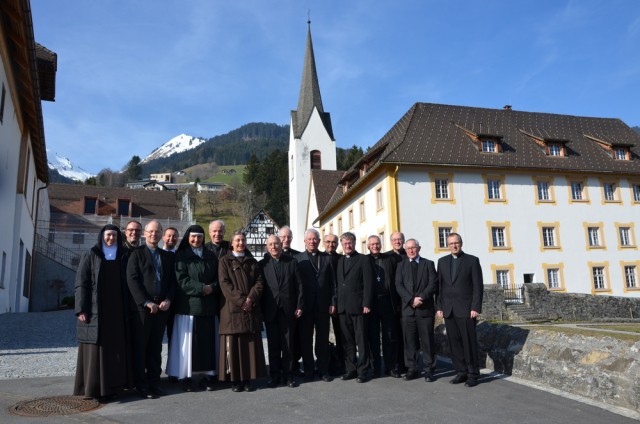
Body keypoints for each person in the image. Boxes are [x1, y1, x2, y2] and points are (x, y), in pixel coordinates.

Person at [73, 224, 133, 400]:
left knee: (117, 348)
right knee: (96, 348)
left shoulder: (124, 255)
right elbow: (81, 283)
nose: (111, 238)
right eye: (108, 235)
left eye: (114, 235)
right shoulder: (91, 254)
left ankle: (115, 387)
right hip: (96, 309)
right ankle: (94, 388)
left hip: (118, 309)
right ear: (101, 236)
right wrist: (81, 309)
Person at [126, 220, 177, 399]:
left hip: (162, 308)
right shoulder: (136, 254)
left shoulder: (168, 256)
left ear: (161, 234)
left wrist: (168, 299)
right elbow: (132, 280)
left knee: (155, 348)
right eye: (150, 231)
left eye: (157, 232)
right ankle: (142, 385)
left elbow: (172, 281)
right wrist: (146, 302)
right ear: (145, 233)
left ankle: (155, 382)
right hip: (143, 309)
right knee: (141, 347)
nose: (153, 234)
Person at [166, 225, 219, 392]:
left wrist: (213, 287)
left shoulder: (210, 255)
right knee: (187, 346)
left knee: (207, 345)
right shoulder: (181, 256)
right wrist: (202, 288)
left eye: (199, 237)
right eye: (193, 237)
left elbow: (220, 277)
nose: (196, 240)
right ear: (188, 238)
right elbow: (181, 280)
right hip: (188, 308)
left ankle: (207, 375)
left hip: (208, 308)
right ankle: (186, 377)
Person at [218, 231, 266, 392]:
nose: (240, 243)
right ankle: (235, 380)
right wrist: (241, 301)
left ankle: (247, 379)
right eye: (237, 240)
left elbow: (259, 282)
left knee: (248, 347)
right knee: (233, 347)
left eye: (243, 240)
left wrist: (250, 299)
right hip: (232, 310)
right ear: (231, 243)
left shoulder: (252, 261)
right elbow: (225, 284)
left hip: (250, 309)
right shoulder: (224, 261)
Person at [436, 233, 484, 388]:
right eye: (451, 243)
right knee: (454, 343)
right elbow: (439, 287)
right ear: (447, 245)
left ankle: (472, 374)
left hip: (466, 309)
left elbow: (478, 286)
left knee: (468, 343)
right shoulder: (442, 262)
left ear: (461, 243)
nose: (454, 246)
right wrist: (439, 307)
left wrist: (475, 307)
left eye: (456, 243)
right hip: (448, 309)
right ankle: (461, 372)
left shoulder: (472, 261)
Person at [259, 235, 303, 388]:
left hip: (288, 309)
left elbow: (299, 286)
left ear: (281, 244)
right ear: (267, 246)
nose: (274, 247)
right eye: (270, 244)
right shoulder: (262, 264)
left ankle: (289, 375)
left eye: (276, 243)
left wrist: (299, 305)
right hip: (270, 310)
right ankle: (274, 375)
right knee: (273, 345)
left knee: (288, 345)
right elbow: (260, 289)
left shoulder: (291, 262)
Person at [295, 229, 336, 382]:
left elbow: (333, 283)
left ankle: (323, 369)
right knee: (305, 340)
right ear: (305, 241)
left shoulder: (326, 258)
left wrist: (333, 301)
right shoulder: (298, 259)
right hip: (305, 306)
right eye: (309, 239)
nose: (312, 241)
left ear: (319, 241)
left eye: (315, 239)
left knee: (322, 340)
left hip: (323, 306)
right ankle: (308, 370)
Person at [395, 239, 438, 382]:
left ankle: (429, 369)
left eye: (414, 248)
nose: (411, 250)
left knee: (427, 341)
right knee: (410, 342)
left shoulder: (428, 264)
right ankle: (412, 369)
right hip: (408, 310)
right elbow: (398, 285)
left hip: (425, 309)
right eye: (408, 248)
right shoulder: (400, 266)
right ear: (405, 250)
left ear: (419, 248)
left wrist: (421, 298)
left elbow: (433, 283)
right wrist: (411, 300)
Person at [336, 232, 373, 383]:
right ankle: (350, 368)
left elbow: (368, 283)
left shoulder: (363, 260)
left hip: (358, 307)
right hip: (343, 307)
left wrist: (366, 303)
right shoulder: (339, 261)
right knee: (347, 341)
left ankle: (363, 370)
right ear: (342, 245)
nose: (347, 246)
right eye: (345, 243)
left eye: (350, 243)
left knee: (361, 340)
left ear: (355, 243)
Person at [366, 235, 401, 378]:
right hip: (372, 303)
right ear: (368, 246)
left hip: (387, 301)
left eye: (377, 243)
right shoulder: (365, 260)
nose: (375, 246)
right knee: (373, 337)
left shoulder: (389, 259)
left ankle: (390, 367)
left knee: (389, 336)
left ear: (381, 244)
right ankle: (375, 368)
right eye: (372, 244)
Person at [323, 233, 344, 375]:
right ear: (323, 243)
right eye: (328, 242)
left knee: (341, 335)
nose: (331, 244)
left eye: (334, 242)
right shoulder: (320, 258)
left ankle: (342, 364)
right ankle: (325, 364)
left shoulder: (341, 259)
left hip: (340, 303)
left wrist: (335, 301)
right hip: (323, 303)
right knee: (323, 336)